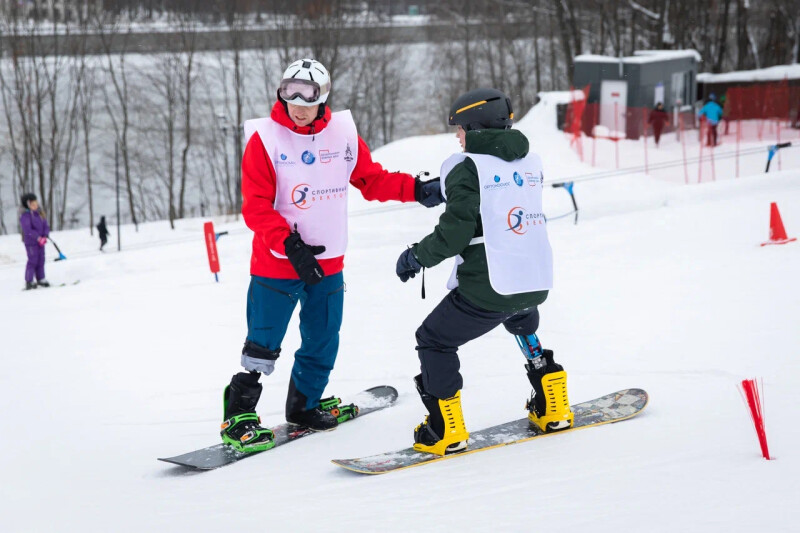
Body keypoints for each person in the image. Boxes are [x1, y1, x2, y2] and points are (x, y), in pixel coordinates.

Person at [219, 58, 444, 453]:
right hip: (277, 263)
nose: (297, 103)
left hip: (329, 264)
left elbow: (371, 180)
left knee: (323, 337)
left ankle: (304, 404)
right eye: (290, 92)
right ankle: (239, 414)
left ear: (323, 96)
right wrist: (289, 245)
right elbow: (255, 207)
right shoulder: (264, 139)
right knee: (263, 341)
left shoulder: (342, 134)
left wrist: (417, 189)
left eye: (307, 95)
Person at [395, 88, 573, 456]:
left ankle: (446, 429)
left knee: (433, 339)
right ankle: (553, 404)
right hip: (533, 281)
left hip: (489, 288)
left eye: (459, 128)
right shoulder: (530, 162)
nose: (457, 137)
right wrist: (444, 190)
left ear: (474, 126)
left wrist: (416, 257)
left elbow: (454, 233)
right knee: (521, 320)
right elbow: (498, 193)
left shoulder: (465, 167)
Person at [19, 193, 51, 290]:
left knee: (41, 260)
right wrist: (38, 238)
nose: (35, 206)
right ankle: (29, 281)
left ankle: (41, 278)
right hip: (31, 243)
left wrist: (45, 235)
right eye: (32, 204)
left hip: (41, 242)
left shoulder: (39, 214)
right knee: (33, 260)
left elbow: (45, 225)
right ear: (27, 205)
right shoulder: (25, 216)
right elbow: (28, 230)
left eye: (36, 203)